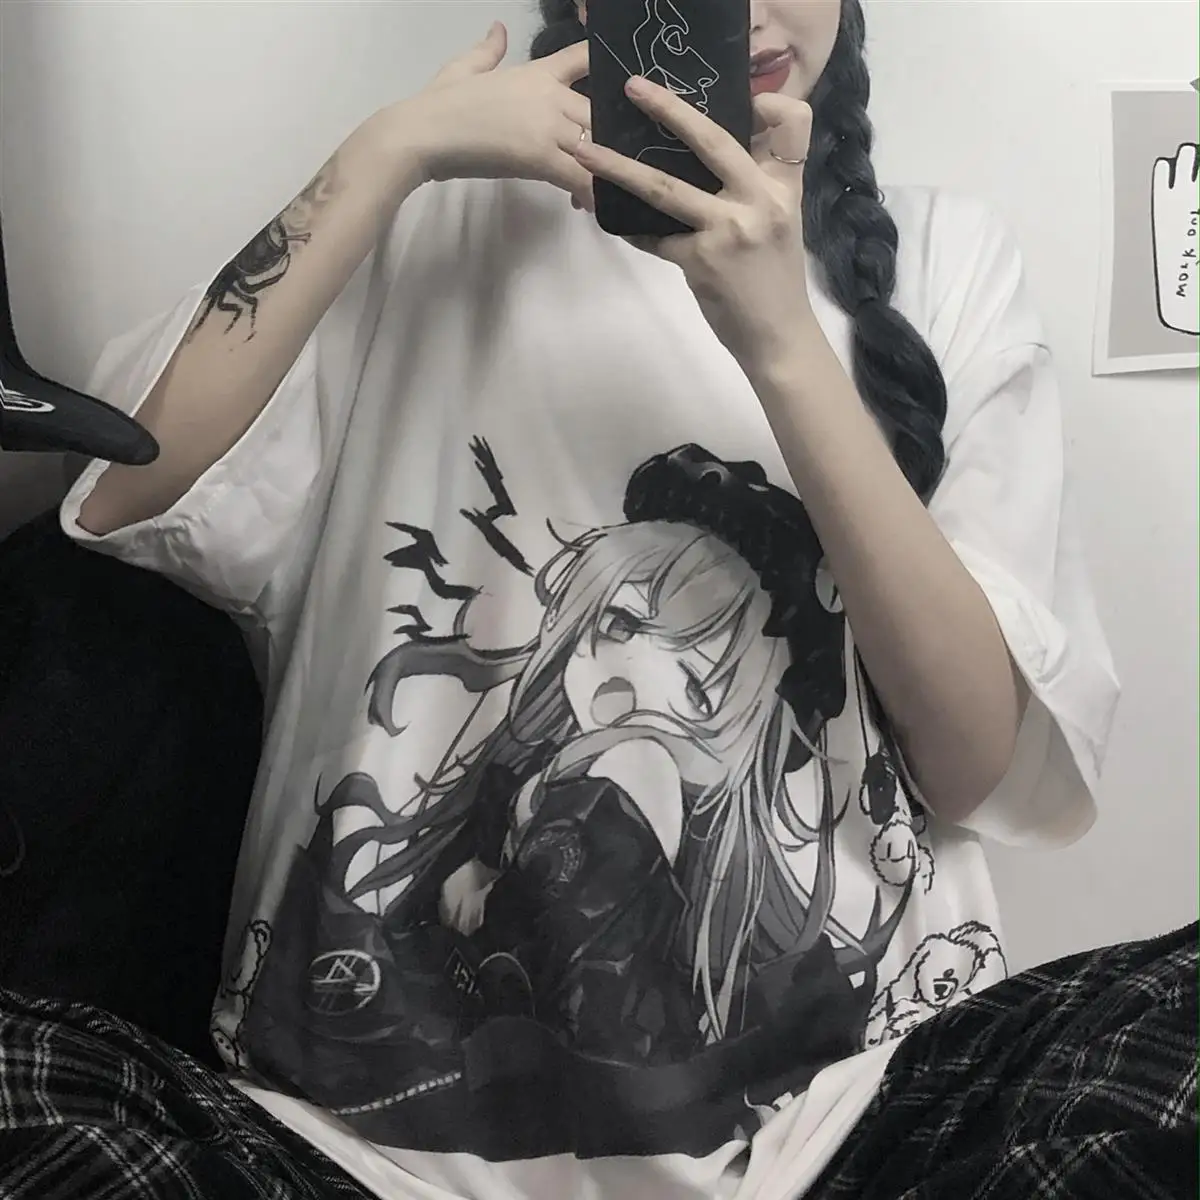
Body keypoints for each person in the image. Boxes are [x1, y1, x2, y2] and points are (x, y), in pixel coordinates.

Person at [1, 2, 1194, 1198]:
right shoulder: (425, 227)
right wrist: (387, 152)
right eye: (620, 626)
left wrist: (781, 336)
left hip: (852, 1135)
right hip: (364, 1160)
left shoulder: (949, 259)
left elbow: (984, 767)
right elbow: (119, 488)